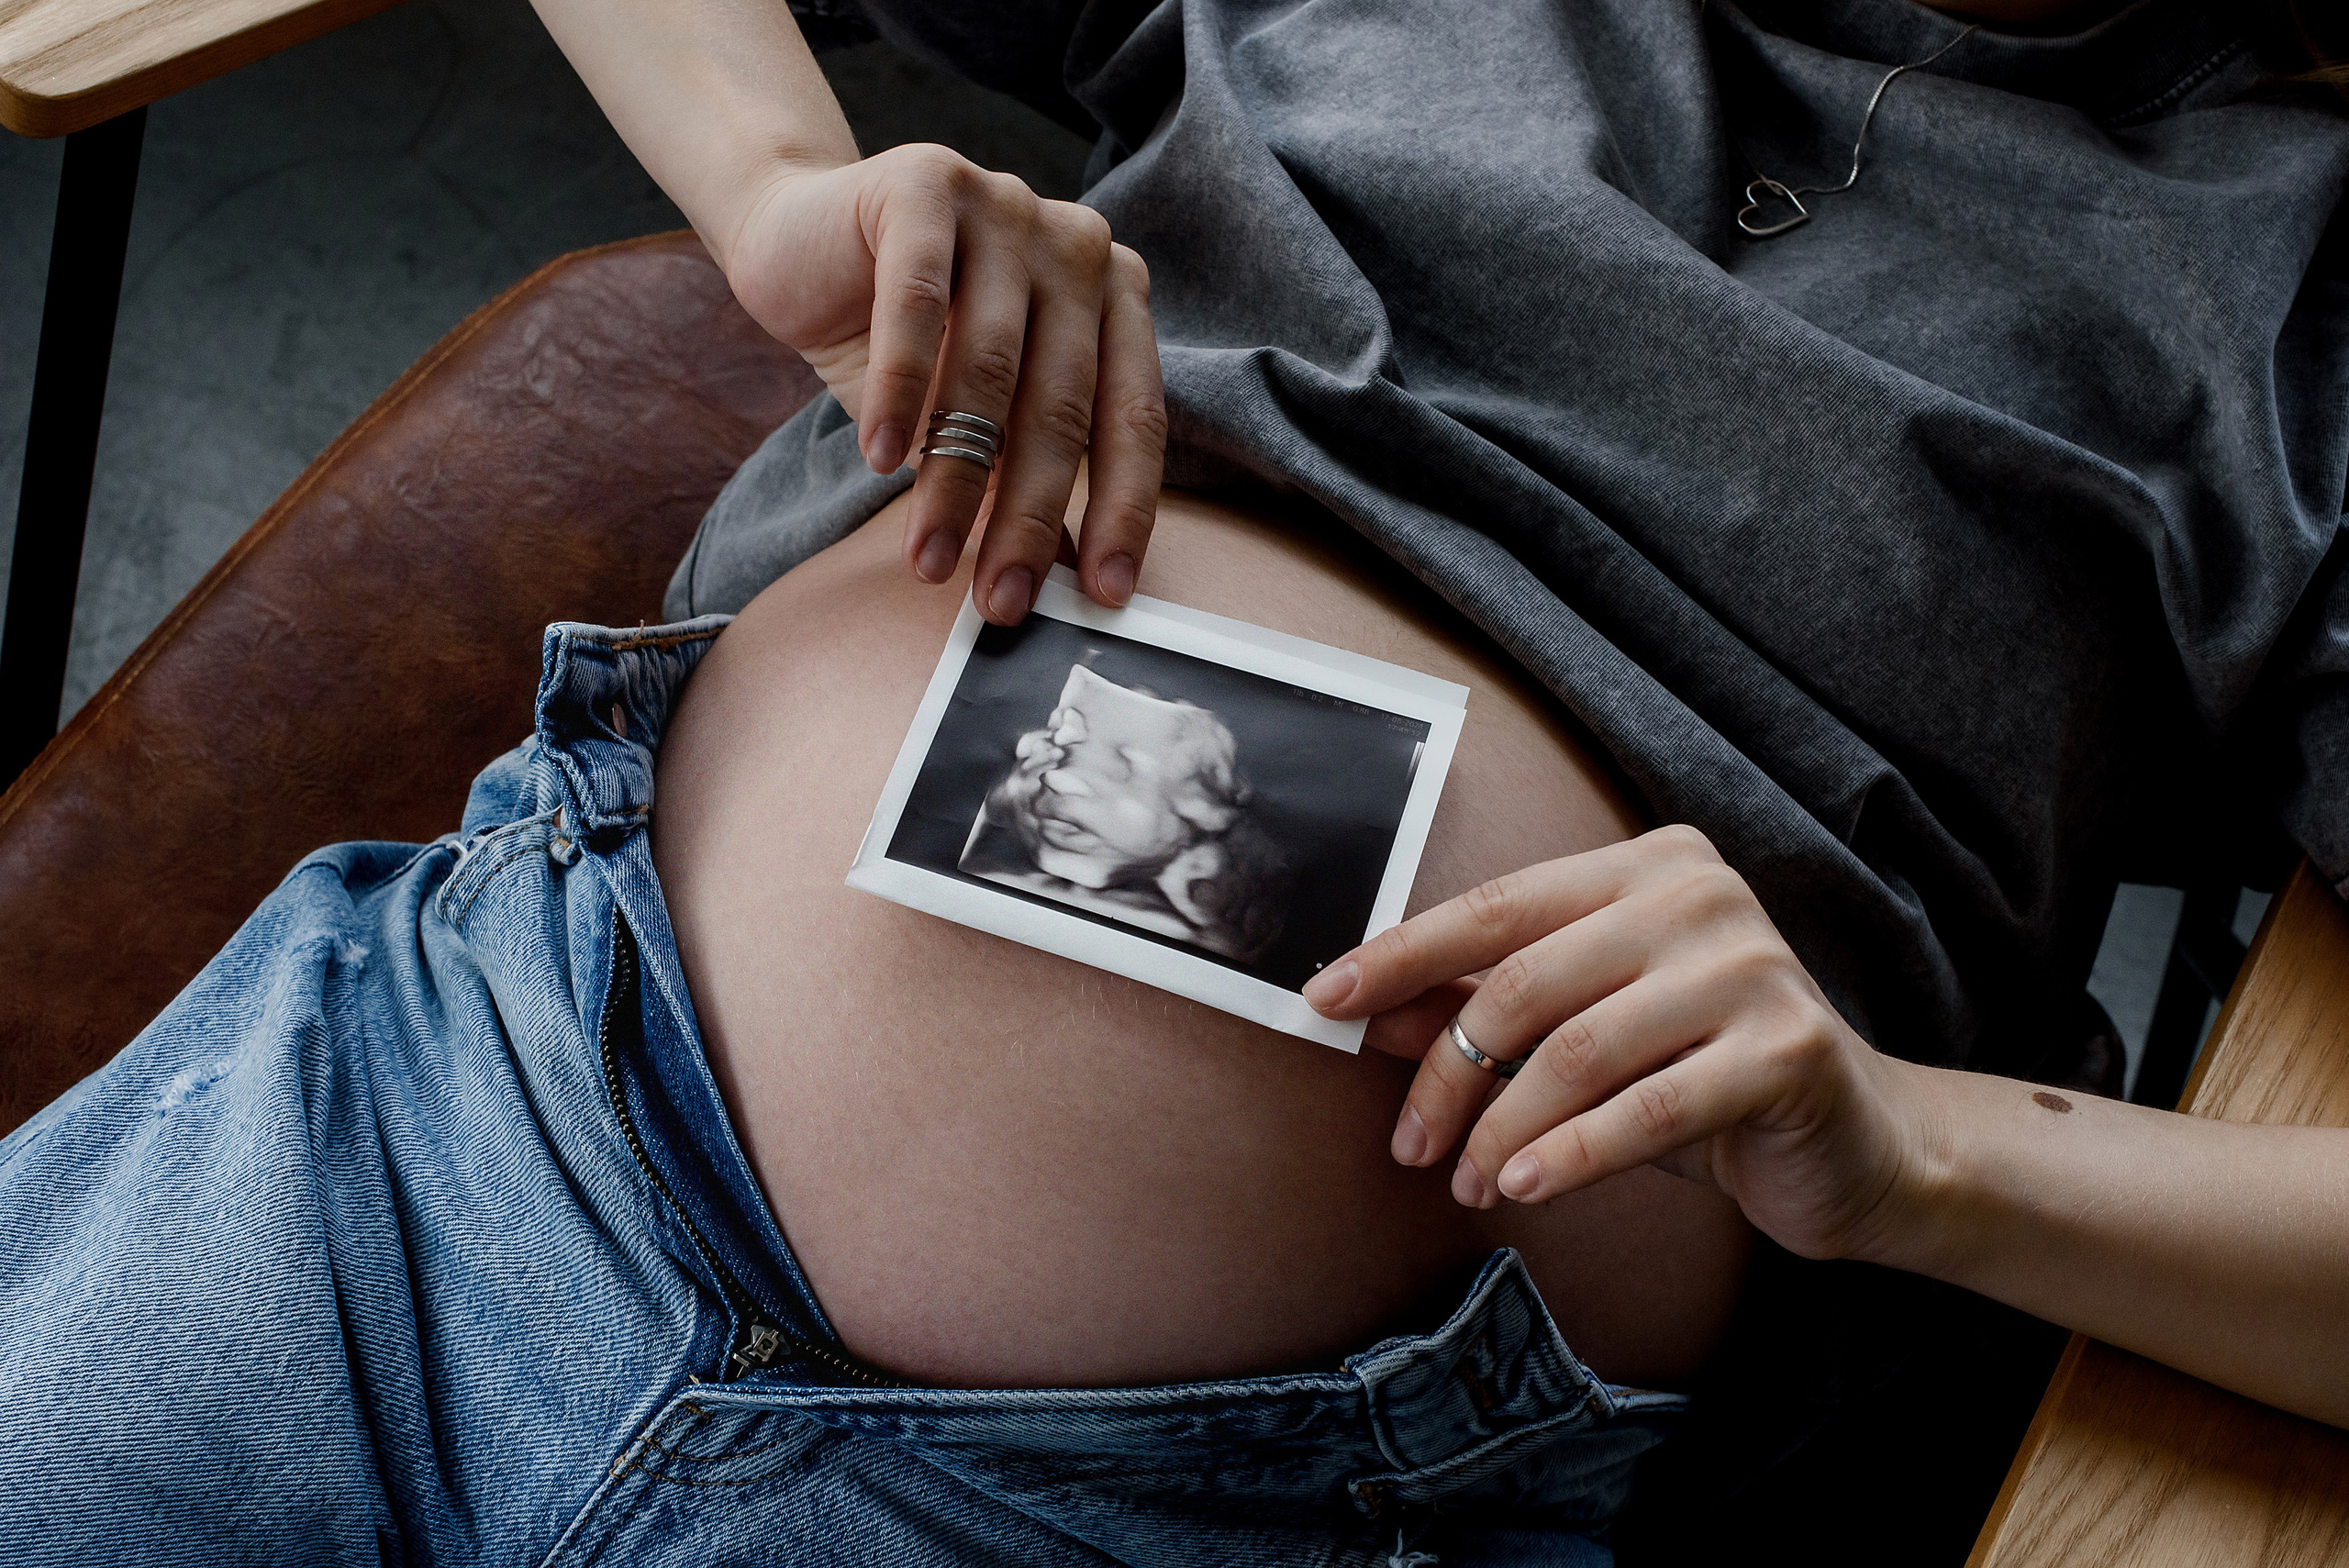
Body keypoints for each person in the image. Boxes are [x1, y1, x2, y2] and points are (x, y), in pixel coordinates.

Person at [1, 2, 2343, 1565]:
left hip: (1228, 1488)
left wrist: (1919, 1157)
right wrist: (769, 182)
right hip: (461, 1097)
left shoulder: (2289, 283)